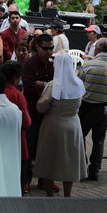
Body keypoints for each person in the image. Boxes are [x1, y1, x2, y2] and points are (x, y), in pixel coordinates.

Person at [35, 54, 87, 196]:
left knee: (48, 159)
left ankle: (50, 194)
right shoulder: (78, 83)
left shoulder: (54, 85)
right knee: (69, 161)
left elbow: (41, 106)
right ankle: (67, 194)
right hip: (73, 125)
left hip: (53, 125)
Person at [78, 38, 107, 181]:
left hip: (86, 107)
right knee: (99, 140)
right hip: (104, 108)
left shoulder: (88, 65)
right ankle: (94, 170)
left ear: (97, 50)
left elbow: (79, 83)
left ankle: (81, 166)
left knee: (80, 137)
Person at [22, 34, 55, 189]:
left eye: (51, 48)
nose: (49, 51)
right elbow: (29, 88)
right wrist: (48, 87)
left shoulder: (52, 64)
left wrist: (44, 85)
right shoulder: (29, 64)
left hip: (48, 114)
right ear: (37, 47)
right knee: (29, 148)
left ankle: (45, 180)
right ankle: (26, 180)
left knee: (47, 149)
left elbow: (57, 87)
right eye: (46, 48)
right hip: (32, 113)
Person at [0, 61, 32, 193]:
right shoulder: (17, 95)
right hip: (17, 141)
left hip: (0, 141)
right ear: (14, 78)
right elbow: (26, 122)